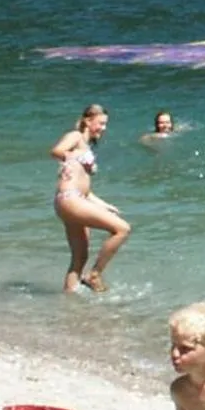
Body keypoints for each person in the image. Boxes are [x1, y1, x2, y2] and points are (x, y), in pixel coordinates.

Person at [51, 104, 129, 293]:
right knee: (122, 229)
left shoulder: (84, 146)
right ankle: (95, 274)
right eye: (100, 123)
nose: (103, 128)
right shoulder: (76, 137)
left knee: (79, 258)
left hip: (72, 199)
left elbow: (85, 191)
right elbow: (56, 151)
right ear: (87, 120)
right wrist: (68, 159)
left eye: (105, 124)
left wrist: (105, 205)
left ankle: (69, 303)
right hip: (71, 200)